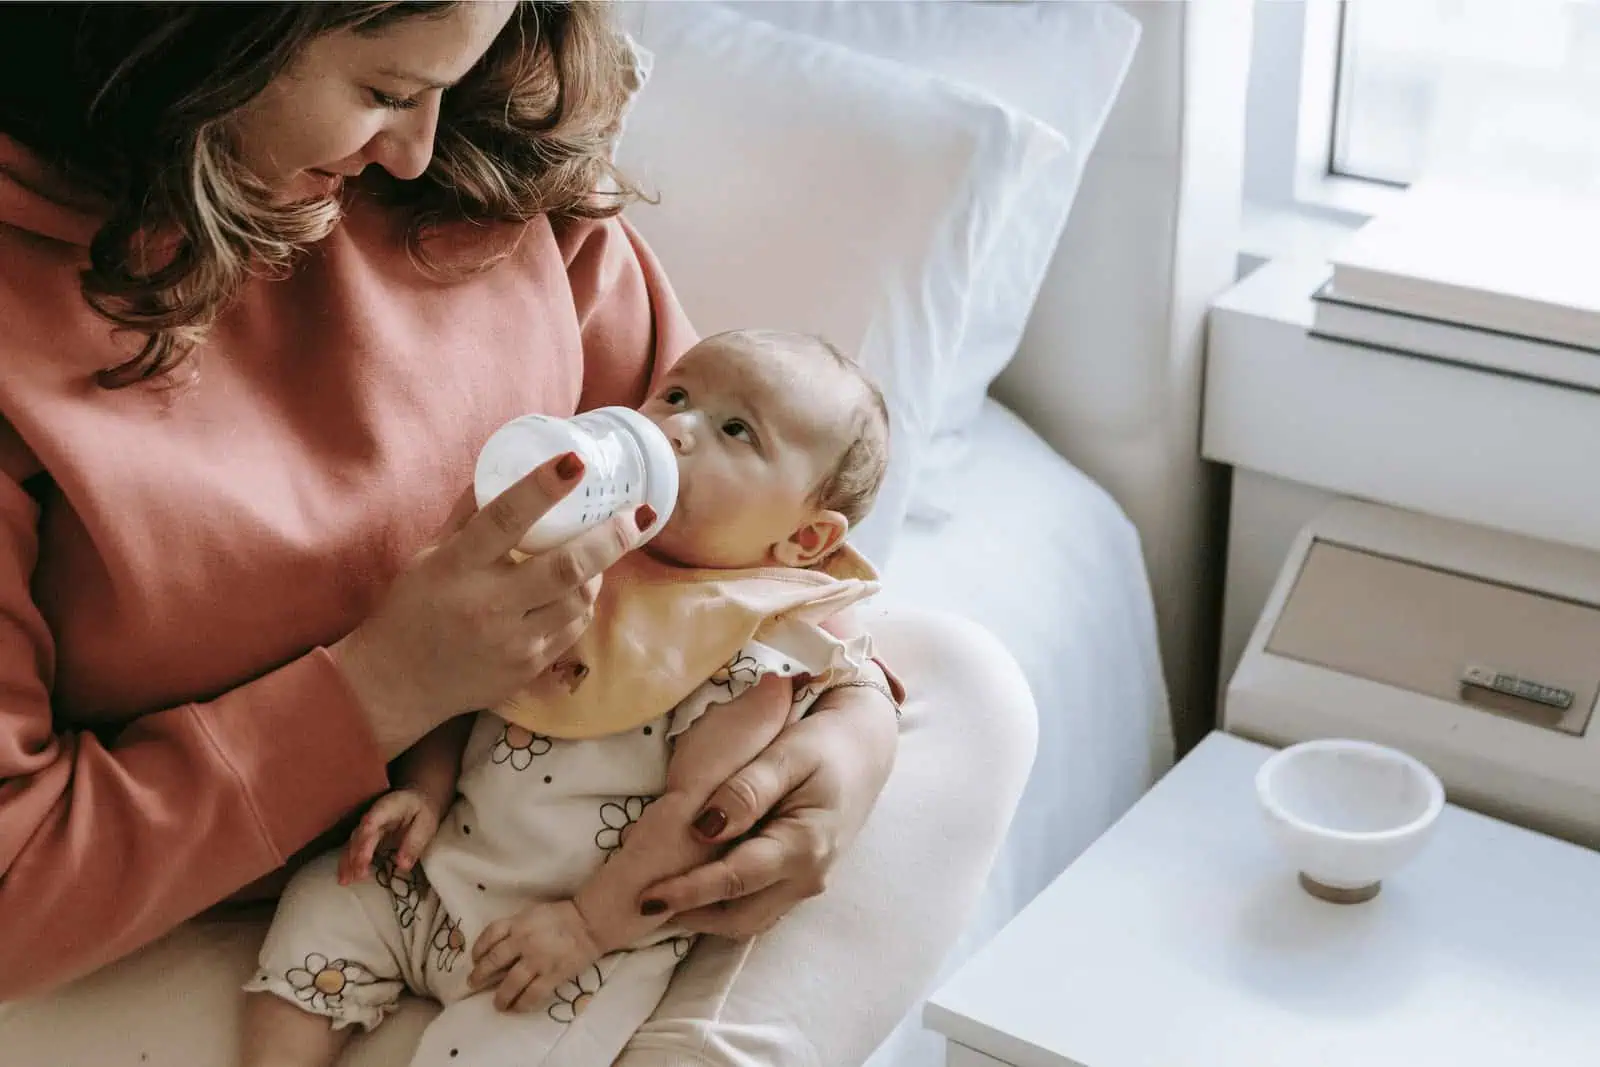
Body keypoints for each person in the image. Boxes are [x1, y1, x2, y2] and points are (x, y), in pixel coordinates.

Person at [0, 4, 1037, 1066]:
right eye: (386, 91)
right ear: (191, 37)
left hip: (528, 880)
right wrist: (382, 688)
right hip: (160, 924)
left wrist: (842, 729)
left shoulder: (475, 159)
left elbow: (740, 543)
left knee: (958, 683)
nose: (415, 148)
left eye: (459, 73)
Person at [243, 329, 895, 1067]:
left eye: (735, 430)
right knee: (325, 905)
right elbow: (462, 680)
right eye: (676, 396)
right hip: (434, 874)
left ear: (805, 539)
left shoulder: (747, 652)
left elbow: (695, 818)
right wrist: (424, 790)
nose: (673, 427)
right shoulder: (568, 555)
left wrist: (587, 927)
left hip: (566, 940)